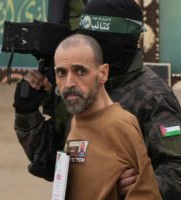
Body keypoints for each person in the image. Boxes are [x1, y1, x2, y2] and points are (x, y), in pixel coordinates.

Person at [13, 0, 181, 199]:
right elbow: (52, 163)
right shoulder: (82, 84)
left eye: (98, 43)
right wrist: (27, 113)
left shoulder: (152, 96)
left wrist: (138, 183)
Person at [53, 33, 161, 199]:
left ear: (103, 73)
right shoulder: (77, 120)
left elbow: (146, 194)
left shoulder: (119, 124)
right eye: (61, 73)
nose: (69, 83)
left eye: (80, 71)